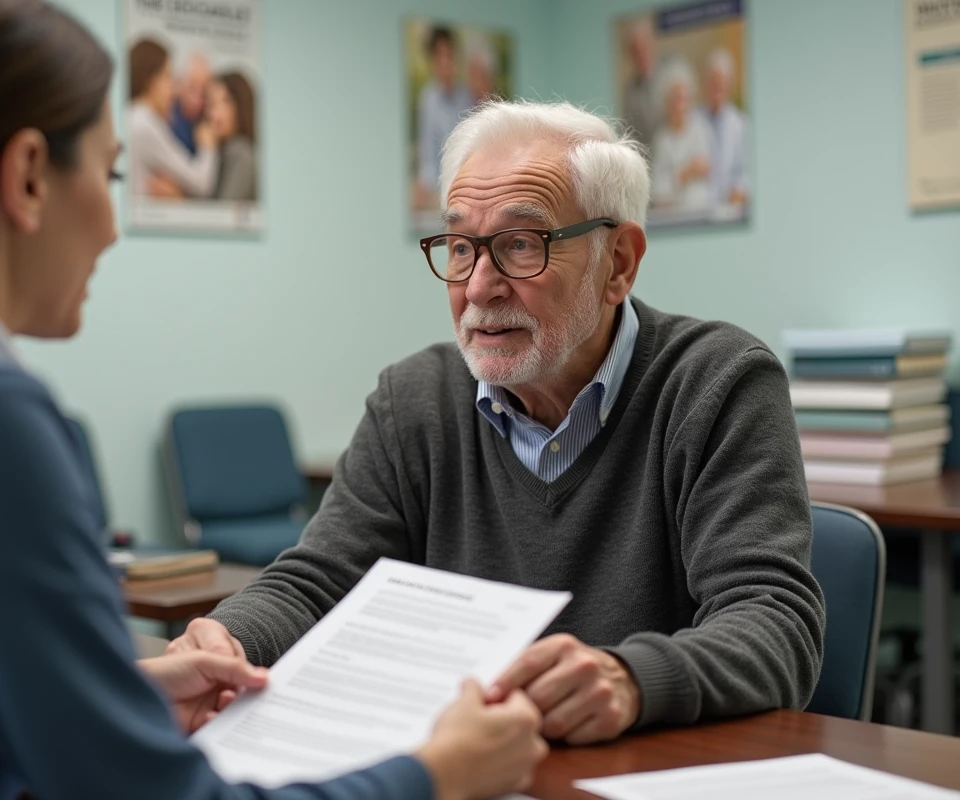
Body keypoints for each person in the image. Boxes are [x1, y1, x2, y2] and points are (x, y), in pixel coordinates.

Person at [0, 2, 548, 798]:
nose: (111, 228)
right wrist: (439, 774)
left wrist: (116, 702)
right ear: (28, 175)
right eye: (107, 176)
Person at [170, 99, 826, 746]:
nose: (479, 286)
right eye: (460, 247)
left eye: (519, 244)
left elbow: (773, 621)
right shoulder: (414, 400)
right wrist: (226, 642)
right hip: (466, 769)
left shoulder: (717, 383)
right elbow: (317, 582)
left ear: (618, 263)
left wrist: (630, 679)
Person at [128, 38, 218, 199]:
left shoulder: (132, 117)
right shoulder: (144, 124)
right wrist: (208, 146)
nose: (174, 89)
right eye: (168, 76)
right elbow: (200, 183)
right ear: (152, 80)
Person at [414, 26, 473, 210]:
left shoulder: (467, 96)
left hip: (467, 183)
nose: (445, 61)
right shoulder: (428, 100)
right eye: (440, 55)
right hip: (438, 189)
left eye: (449, 54)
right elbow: (428, 155)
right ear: (433, 60)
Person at [650, 58, 713, 212]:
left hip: (701, 210)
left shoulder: (701, 129)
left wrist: (676, 177)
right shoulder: (661, 139)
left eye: (684, 98)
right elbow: (658, 191)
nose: (680, 104)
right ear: (666, 102)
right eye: (676, 98)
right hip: (671, 215)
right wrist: (685, 172)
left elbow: (706, 168)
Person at [698, 47, 749, 208]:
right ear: (706, 84)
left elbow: (745, 170)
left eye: (722, 82)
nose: (717, 87)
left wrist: (739, 189)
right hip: (700, 205)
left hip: (731, 207)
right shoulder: (694, 120)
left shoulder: (741, 124)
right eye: (713, 81)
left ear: (729, 85)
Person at [207, 72, 258, 202]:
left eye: (226, 102)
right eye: (211, 104)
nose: (215, 113)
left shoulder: (241, 152)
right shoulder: (221, 152)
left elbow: (224, 215)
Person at [620, 21, 659, 154]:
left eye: (643, 47)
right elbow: (629, 133)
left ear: (652, 45)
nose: (640, 54)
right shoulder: (629, 91)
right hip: (648, 161)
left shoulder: (669, 77)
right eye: (635, 50)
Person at [171, 52, 212, 156]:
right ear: (179, 84)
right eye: (192, 88)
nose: (197, 99)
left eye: (204, 91)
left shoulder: (209, 122)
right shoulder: (166, 119)